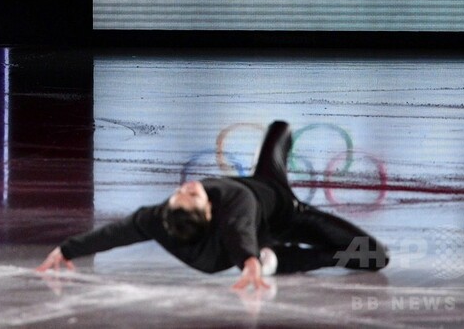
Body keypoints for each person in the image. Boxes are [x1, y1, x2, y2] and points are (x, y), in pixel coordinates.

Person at [37, 121, 389, 290]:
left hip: (268, 184)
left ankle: (265, 258)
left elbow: (117, 232)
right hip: (292, 216)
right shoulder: (231, 203)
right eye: (192, 195)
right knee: (374, 256)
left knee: (281, 128)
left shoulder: (160, 217)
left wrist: (68, 248)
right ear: (208, 213)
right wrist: (250, 260)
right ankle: (275, 259)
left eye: (180, 193)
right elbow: (238, 227)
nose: (189, 186)